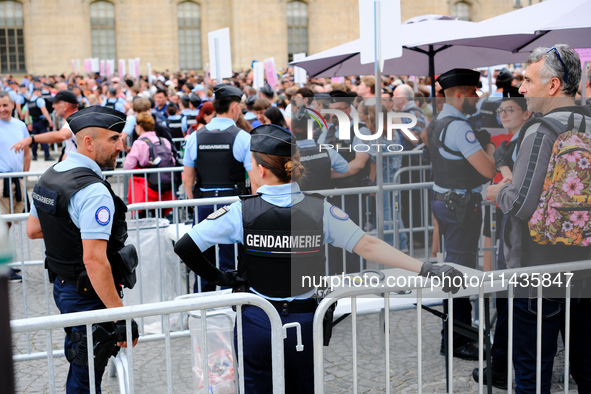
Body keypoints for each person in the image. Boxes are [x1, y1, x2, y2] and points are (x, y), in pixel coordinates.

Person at [173, 123, 466, 394]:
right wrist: (426, 267)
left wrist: (222, 278)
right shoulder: (320, 210)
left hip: (257, 321)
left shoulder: (241, 212)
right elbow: (368, 245)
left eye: (250, 164)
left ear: (261, 170)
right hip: (304, 323)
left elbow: (185, 246)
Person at [487, 44, 591, 394]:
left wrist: (500, 189)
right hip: (587, 264)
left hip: (538, 268)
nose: (521, 88)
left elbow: (520, 205)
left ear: (553, 85)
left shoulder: (540, 130)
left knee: (532, 374)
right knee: (588, 368)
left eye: (528, 80)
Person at [25, 106, 139, 394]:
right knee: (86, 375)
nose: (121, 146)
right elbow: (94, 260)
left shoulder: (51, 174)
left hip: (65, 286)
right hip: (88, 293)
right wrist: (121, 315)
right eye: (113, 139)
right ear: (89, 142)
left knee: (84, 364)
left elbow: (34, 230)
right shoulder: (93, 190)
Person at [427, 68, 496, 360]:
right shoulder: (458, 127)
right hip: (461, 207)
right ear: (458, 94)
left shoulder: (436, 122)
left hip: (445, 202)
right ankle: (456, 340)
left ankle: (459, 334)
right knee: (460, 272)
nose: (476, 97)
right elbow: (488, 170)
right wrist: (491, 146)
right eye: (472, 92)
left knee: (456, 268)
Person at [182, 84, 259, 292]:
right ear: (234, 107)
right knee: (230, 260)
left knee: (202, 259)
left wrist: (195, 202)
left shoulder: (195, 137)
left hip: (204, 204)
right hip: (232, 204)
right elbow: (254, 179)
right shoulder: (242, 137)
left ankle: (203, 305)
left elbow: (187, 178)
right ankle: (229, 302)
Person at [0, 90, 30, 282]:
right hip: (1, 181)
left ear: (12, 105)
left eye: (4, 105)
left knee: (9, 223)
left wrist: (24, 177)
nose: (2, 109)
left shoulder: (20, 125)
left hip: (16, 181)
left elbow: (27, 152)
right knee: (2, 224)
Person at [124, 112, 175, 216]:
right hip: (163, 185)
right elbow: (172, 161)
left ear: (139, 126)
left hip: (144, 187)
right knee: (160, 215)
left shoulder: (139, 143)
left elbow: (128, 166)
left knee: (142, 217)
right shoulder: (164, 141)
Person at [11, 90, 79, 161]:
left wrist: (32, 139)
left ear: (65, 105)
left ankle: (43, 155)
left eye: (55, 103)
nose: (53, 106)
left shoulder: (74, 120)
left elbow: (62, 135)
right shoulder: (75, 119)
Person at [25, 86, 55, 161]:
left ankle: (34, 156)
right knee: (44, 138)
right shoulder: (39, 100)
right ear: (37, 92)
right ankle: (47, 156)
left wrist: (29, 123)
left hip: (34, 122)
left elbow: (27, 114)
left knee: (34, 139)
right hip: (41, 122)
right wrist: (50, 120)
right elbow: (44, 111)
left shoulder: (29, 101)